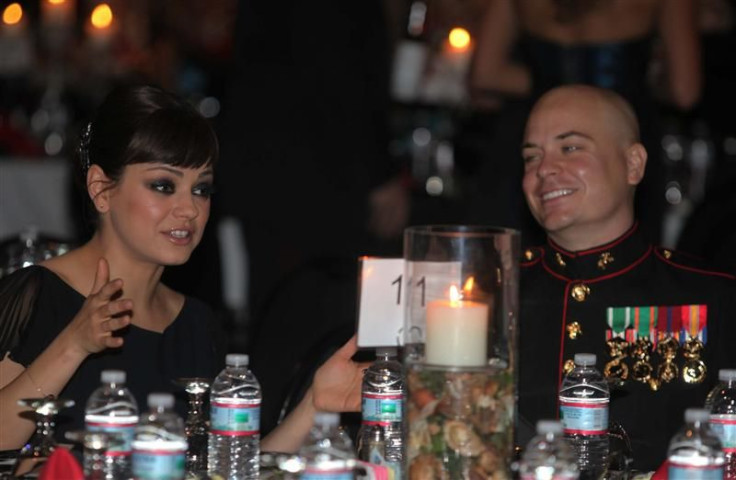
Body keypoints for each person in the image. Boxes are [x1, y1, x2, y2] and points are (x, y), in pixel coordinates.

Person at [0, 85, 367, 452]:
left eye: (201, 189)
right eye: (164, 185)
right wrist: (73, 345)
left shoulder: (196, 324)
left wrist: (314, 406)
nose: (190, 209)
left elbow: (227, 475)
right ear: (101, 189)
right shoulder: (38, 294)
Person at [517, 85, 736, 471]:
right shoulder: (492, 295)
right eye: (531, 156)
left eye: (570, 148)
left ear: (633, 164)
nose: (544, 169)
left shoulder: (712, 296)